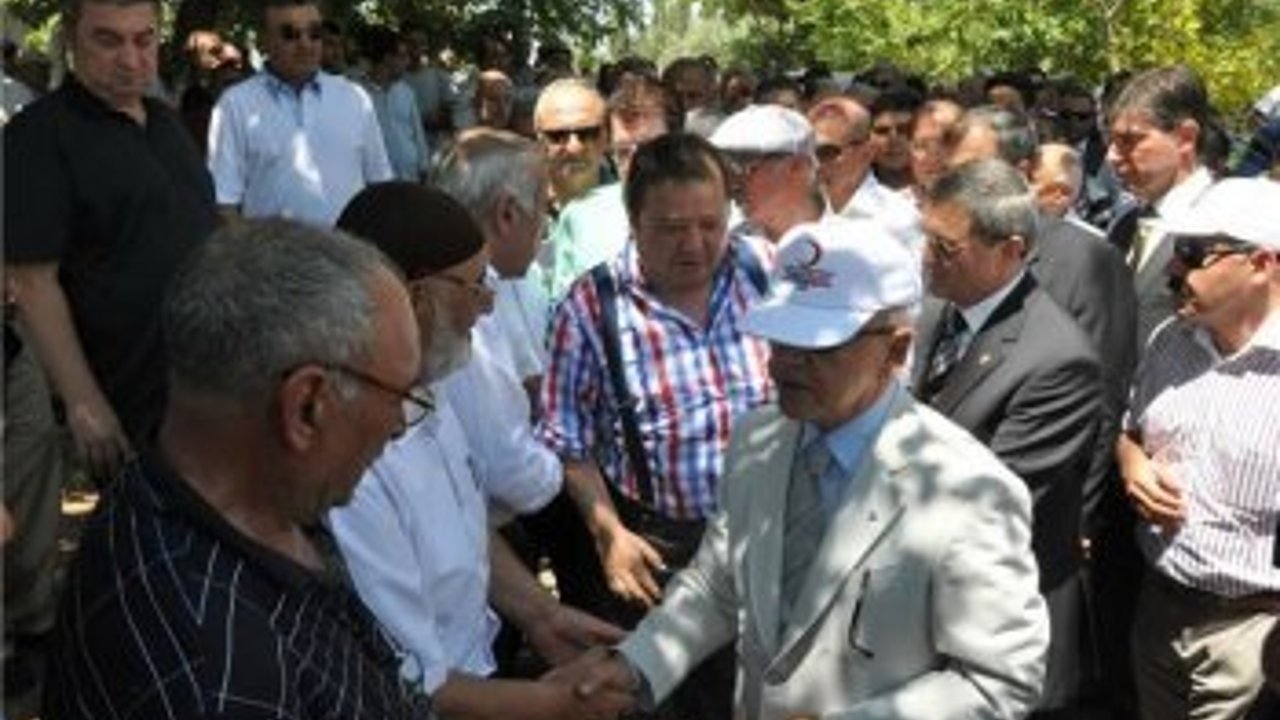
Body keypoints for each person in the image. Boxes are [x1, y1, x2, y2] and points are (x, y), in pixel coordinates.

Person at [608, 216, 1050, 719]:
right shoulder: (757, 440)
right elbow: (718, 586)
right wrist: (634, 666)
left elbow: (999, 682)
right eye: (779, 338)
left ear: (895, 349)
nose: (782, 364)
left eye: (817, 347)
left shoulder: (970, 491)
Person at [42, 219, 435, 718]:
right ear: (307, 407)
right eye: (398, 396)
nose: (398, 425)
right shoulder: (219, 678)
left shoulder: (223, 491)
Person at [328, 182, 630, 720]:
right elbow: (409, 683)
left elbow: (463, 529)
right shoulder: (351, 461)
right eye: (474, 286)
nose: (487, 305)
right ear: (416, 297)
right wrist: (555, 705)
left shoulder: (430, 389)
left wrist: (539, 614)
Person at [535, 132, 774, 720]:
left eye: (710, 224)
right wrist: (609, 534)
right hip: (666, 551)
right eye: (671, 228)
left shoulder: (766, 272)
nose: (694, 244)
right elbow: (567, 441)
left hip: (773, 527)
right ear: (634, 221)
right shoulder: (591, 307)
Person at [911, 159, 1105, 719]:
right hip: (928, 609)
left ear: (1011, 249)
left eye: (946, 248)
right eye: (926, 239)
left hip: (995, 621)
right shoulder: (938, 311)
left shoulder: (1058, 360)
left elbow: (990, 502)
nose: (926, 257)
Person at [5, 0, 218, 476]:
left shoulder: (166, 122)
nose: (130, 58)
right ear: (71, 40)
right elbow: (31, 281)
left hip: (211, 383)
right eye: (108, 40)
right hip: (133, 401)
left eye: (143, 40)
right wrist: (83, 401)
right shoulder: (37, 136)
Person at [1117, 177, 1280, 720]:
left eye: (1192, 254)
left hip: (1254, 632)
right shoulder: (1170, 341)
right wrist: (1131, 462)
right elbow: (1132, 427)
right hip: (1158, 608)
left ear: (1261, 263)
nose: (1172, 269)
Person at [208, 0, 392, 226]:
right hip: (272, 249)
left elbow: (381, 189)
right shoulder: (235, 105)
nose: (305, 44)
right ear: (264, 42)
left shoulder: (355, 98)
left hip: (350, 248)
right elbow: (224, 205)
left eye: (314, 33)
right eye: (290, 34)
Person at [1106, 65, 1216, 349]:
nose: (1112, 156)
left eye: (1129, 140)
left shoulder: (1227, 230)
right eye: (1112, 140)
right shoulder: (1125, 223)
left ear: (1185, 137)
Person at [542, 74, 676, 301]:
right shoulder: (580, 218)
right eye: (623, 152)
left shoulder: (720, 217)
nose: (636, 164)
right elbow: (562, 308)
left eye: (649, 149)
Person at [807, 95, 924, 258]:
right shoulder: (794, 208)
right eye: (807, 151)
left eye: (827, 152)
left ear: (866, 151)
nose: (814, 161)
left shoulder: (900, 218)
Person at [711, 104, 824, 246]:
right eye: (724, 166)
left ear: (797, 167)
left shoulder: (846, 240)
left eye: (743, 166)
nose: (732, 183)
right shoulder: (722, 241)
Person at [360, 25, 430, 182]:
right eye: (402, 56)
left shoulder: (406, 92)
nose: (407, 62)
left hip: (410, 177)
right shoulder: (358, 94)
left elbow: (418, 134)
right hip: (376, 181)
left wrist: (424, 167)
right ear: (387, 58)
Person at [534, 78, 609, 212]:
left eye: (587, 133)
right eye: (558, 135)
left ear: (606, 136)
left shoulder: (635, 204)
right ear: (539, 139)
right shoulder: (519, 208)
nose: (574, 148)